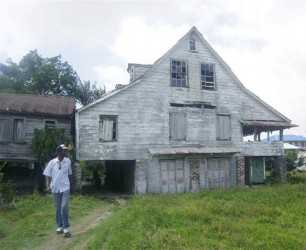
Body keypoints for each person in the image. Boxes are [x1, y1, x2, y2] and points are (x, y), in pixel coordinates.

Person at [43, 144, 73, 237]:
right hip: (55, 188)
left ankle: (66, 227)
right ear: (59, 152)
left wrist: (71, 185)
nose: (66, 152)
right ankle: (59, 226)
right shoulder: (52, 162)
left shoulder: (68, 161)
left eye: (66, 150)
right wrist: (48, 186)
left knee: (64, 206)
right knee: (57, 209)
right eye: (64, 150)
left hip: (65, 188)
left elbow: (70, 174)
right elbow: (47, 175)